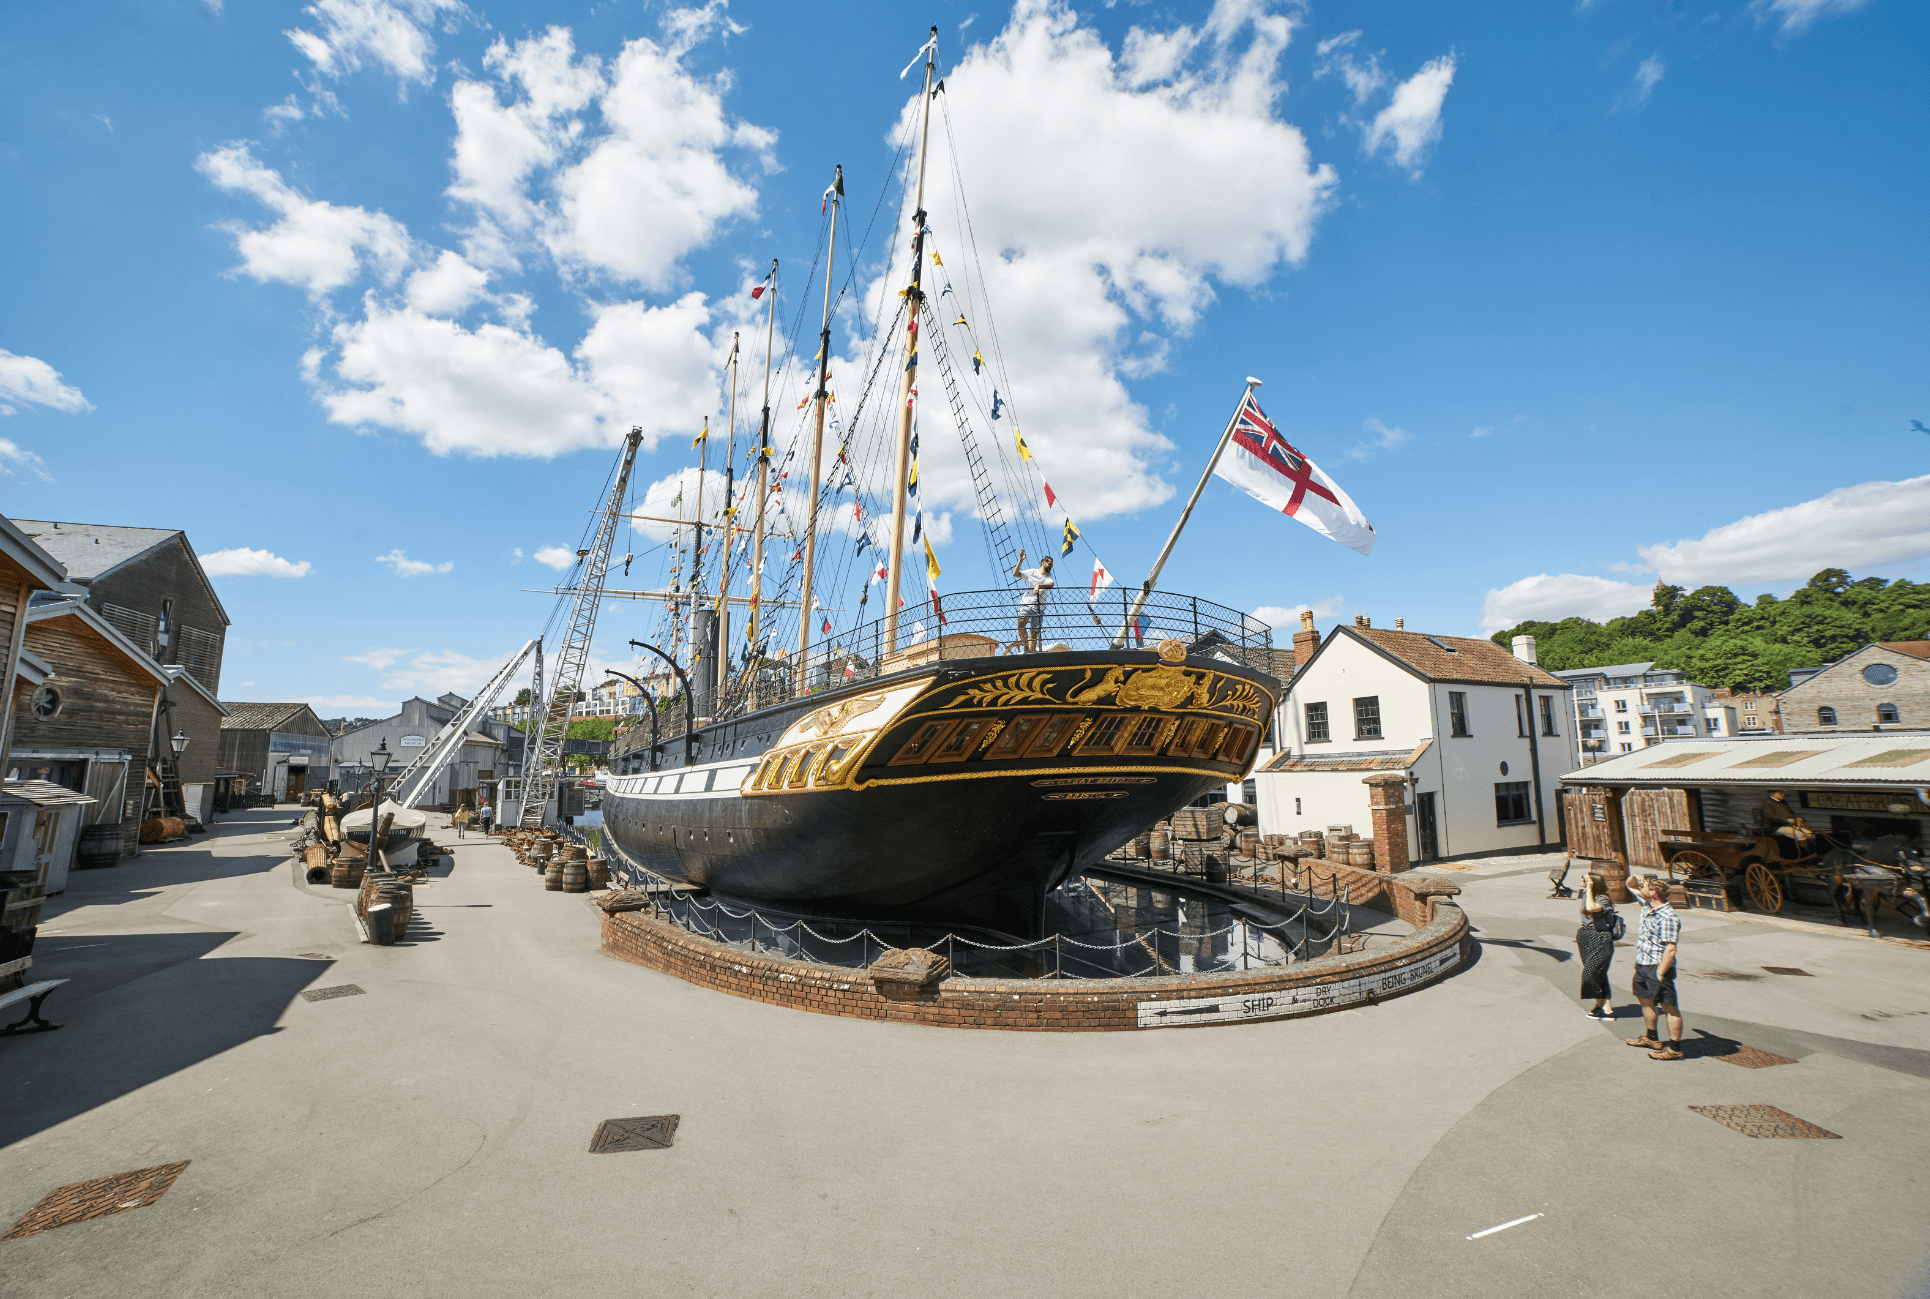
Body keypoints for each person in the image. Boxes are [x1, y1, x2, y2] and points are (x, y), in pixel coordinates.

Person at [1626, 874, 1685, 1060]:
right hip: (1643, 963)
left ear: (1653, 892)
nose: (1641, 888)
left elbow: (1671, 948)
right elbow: (1630, 886)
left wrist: (1660, 973)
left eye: (1645, 886)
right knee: (1644, 999)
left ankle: (1674, 1049)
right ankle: (1652, 1038)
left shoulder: (1667, 916)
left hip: (1657, 966)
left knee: (1669, 1006)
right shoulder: (1647, 905)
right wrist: (1635, 880)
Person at [1576, 871, 1619, 1020]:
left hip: (1600, 937)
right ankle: (1605, 1008)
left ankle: (1599, 1006)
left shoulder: (1603, 899)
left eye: (1585, 879)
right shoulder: (1586, 894)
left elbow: (1591, 908)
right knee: (1598, 972)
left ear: (1593, 883)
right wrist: (1588, 889)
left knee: (1590, 973)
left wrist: (1589, 888)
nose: (1582, 880)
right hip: (1585, 935)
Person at [1008, 550, 1055, 654]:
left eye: (1051, 565)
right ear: (1043, 563)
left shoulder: (1049, 575)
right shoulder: (1033, 572)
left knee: (1034, 633)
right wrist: (1020, 560)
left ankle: (1031, 654)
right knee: (1020, 623)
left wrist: (1039, 586)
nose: (1050, 566)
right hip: (1027, 603)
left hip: (1040, 608)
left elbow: (1051, 584)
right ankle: (1025, 647)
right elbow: (1015, 574)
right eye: (1049, 564)